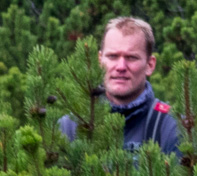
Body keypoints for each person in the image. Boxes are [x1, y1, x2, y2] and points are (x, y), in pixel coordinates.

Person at [59, 16, 182, 156]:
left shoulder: (172, 127)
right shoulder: (69, 127)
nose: (121, 67)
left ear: (150, 65)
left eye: (131, 57)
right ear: (100, 60)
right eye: (112, 56)